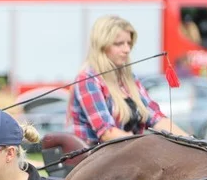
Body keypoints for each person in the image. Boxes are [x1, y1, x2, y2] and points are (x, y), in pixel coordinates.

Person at [68, 15, 191, 145]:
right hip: (95, 160)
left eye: (129, 43)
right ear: (102, 46)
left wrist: (190, 141)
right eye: (119, 44)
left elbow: (156, 118)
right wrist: (146, 146)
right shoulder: (88, 80)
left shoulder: (129, 79)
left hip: (127, 155)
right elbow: (107, 133)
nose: (127, 49)